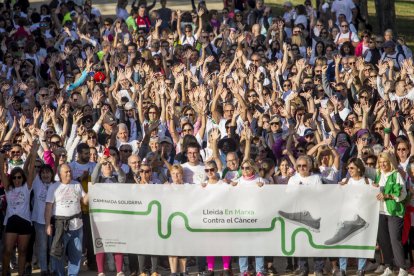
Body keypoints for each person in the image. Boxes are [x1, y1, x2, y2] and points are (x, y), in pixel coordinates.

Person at [0, 142, 37, 276]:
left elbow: (31, 169)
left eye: (19, 177)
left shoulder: (27, 187)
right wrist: (1, 158)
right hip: (11, 222)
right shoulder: (8, 189)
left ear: (23, 178)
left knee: (22, 251)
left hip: (25, 222)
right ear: (11, 178)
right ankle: (5, 272)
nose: (16, 180)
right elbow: (2, 172)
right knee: (8, 251)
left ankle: (21, 274)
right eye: (14, 177)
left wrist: (33, 154)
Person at [45, 164, 89, 276]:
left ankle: (72, 274)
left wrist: (91, 190)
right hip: (60, 226)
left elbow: (85, 201)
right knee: (58, 253)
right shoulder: (54, 187)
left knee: (76, 254)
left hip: (77, 226)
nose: (69, 173)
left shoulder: (77, 185)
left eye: (70, 171)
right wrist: (47, 225)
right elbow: (48, 207)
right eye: (66, 172)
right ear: (60, 175)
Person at [375, 152, 408, 276]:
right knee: (384, 241)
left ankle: (402, 268)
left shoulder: (396, 175)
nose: (382, 164)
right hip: (380, 212)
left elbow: (403, 194)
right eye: (380, 162)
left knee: (395, 240)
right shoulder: (378, 175)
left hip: (394, 212)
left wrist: (388, 196)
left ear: (390, 162)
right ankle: (389, 267)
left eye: (385, 161)